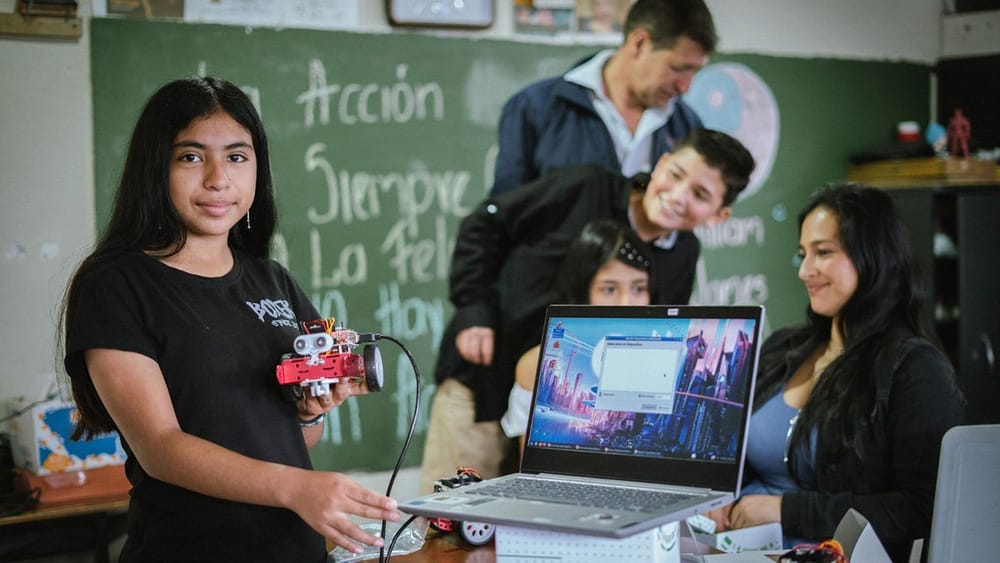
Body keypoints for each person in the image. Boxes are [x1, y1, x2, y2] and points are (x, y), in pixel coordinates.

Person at [59, 76, 399, 562]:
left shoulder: (272, 280)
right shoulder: (116, 284)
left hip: (292, 548)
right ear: (155, 168)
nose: (219, 178)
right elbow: (161, 447)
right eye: (191, 156)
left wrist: (311, 410)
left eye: (237, 157)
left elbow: (299, 435)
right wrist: (296, 487)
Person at [419, 128, 754, 493]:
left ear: (718, 216)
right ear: (661, 164)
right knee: (449, 521)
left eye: (700, 195)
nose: (677, 195)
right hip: (482, 385)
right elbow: (486, 223)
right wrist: (473, 310)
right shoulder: (583, 186)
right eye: (676, 175)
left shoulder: (683, 254)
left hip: (572, 424)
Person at [705, 183, 965, 561]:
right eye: (803, 254)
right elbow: (725, 445)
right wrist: (718, 495)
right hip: (735, 548)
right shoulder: (783, 347)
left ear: (873, 255)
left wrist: (784, 510)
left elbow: (922, 510)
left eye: (823, 253)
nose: (805, 271)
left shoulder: (915, 369)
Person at [493, 0, 717, 195]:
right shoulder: (535, 107)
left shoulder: (687, 127)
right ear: (639, 43)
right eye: (677, 68)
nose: (685, 87)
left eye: (694, 72)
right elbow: (503, 218)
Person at [500, 219, 653, 452]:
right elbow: (533, 470)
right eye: (609, 289)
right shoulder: (539, 364)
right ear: (583, 289)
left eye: (638, 288)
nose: (627, 303)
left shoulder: (668, 360)